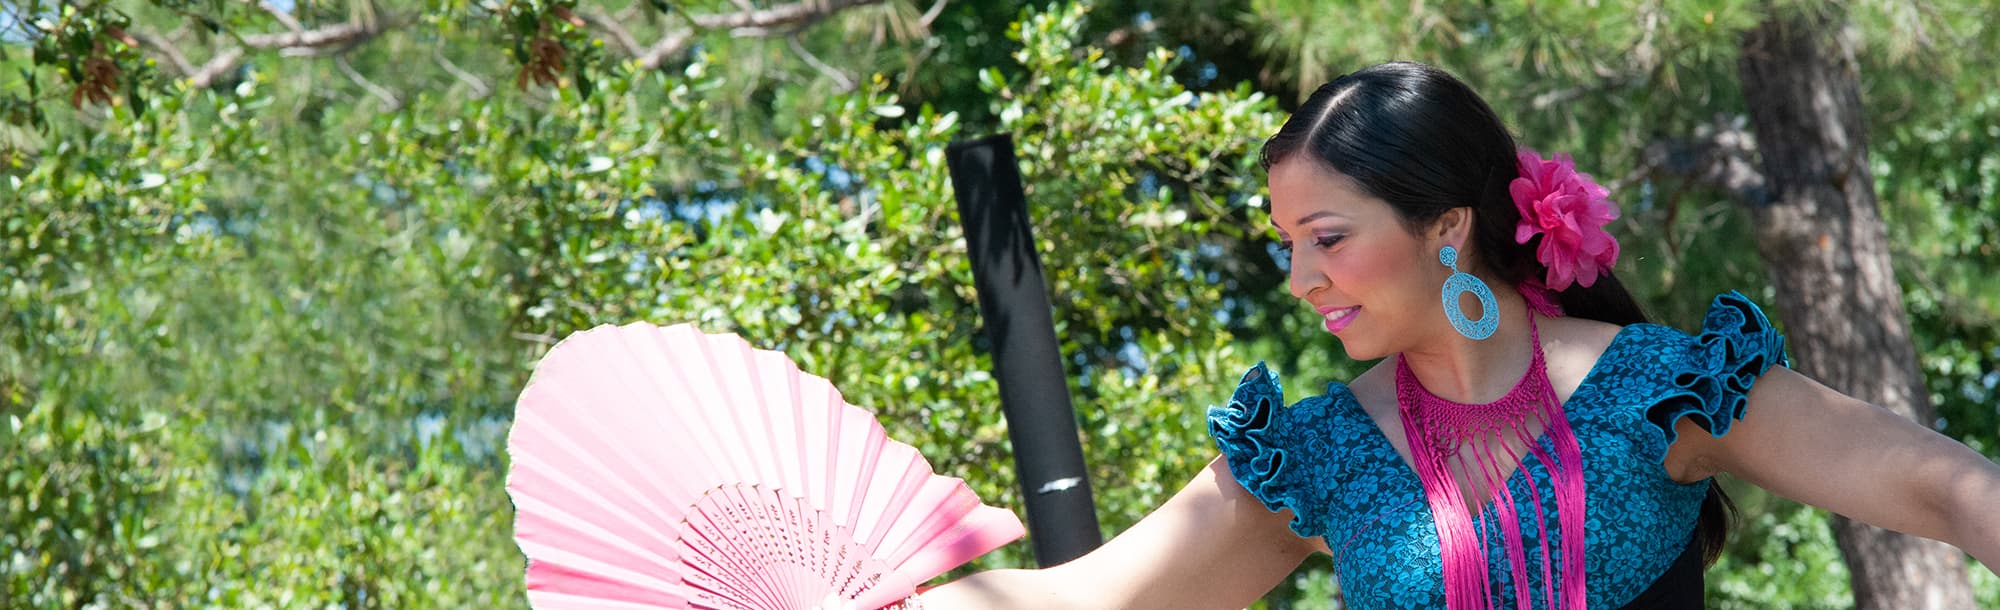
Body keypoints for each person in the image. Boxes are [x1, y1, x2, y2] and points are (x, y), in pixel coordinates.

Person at [911, 61, 2000, 609]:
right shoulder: (1318, 456)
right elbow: (1066, 597)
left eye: (1325, 236)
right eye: (1286, 243)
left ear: (1445, 228)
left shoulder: (1659, 387)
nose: (1298, 279)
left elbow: (1942, 487)